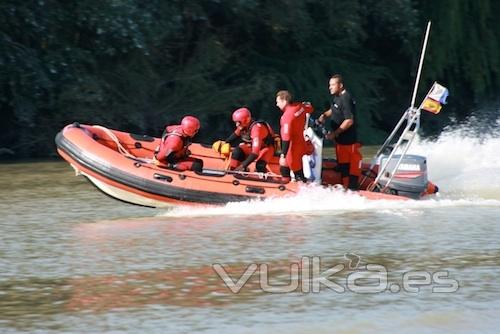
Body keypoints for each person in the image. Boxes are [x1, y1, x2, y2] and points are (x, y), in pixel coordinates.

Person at [317, 74, 362, 190]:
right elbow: (334, 109)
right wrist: (324, 115)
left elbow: (349, 120)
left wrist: (335, 133)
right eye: (329, 85)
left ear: (340, 85)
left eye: (332, 85)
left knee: (349, 165)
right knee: (342, 165)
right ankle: (344, 185)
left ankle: (352, 187)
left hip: (348, 141)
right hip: (340, 142)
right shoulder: (337, 97)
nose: (330, 87)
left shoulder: (346, 98)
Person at [217, 107, 275, 172]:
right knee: (237, 152)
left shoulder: (257, 129)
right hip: (253, 147)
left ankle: (259, 175)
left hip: (266, 148)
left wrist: (242, 166)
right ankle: (232, 171)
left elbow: (255, 153)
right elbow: (234, 136)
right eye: (236, 122)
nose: (236, 125)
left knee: (260, 165)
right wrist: (224, 144)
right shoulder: (243, 126)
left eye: (238, 122)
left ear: (245, 121)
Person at [276, 90, 314, 182]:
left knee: (290, 170)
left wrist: (283, 155)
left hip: (293, 149)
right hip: (302, 143)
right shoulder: (300, 107)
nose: (277, 104)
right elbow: (310, 108)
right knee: (297, 170)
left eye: (278, 102)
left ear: (284, 101)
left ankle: (289, 188)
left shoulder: (287, 117)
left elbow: (286, 138)